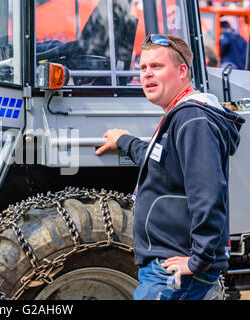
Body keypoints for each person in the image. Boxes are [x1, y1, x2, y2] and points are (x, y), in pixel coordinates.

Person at [95, 34, 245, 300]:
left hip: (176, 272)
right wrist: (125, 141)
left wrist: (198, 260)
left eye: (157, 67)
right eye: (143, 68)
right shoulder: (181, 115)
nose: (147, 75)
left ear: (182, 71)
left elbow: (208, 193)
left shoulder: (193, 119)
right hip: (169, 268)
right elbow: (161, 161)